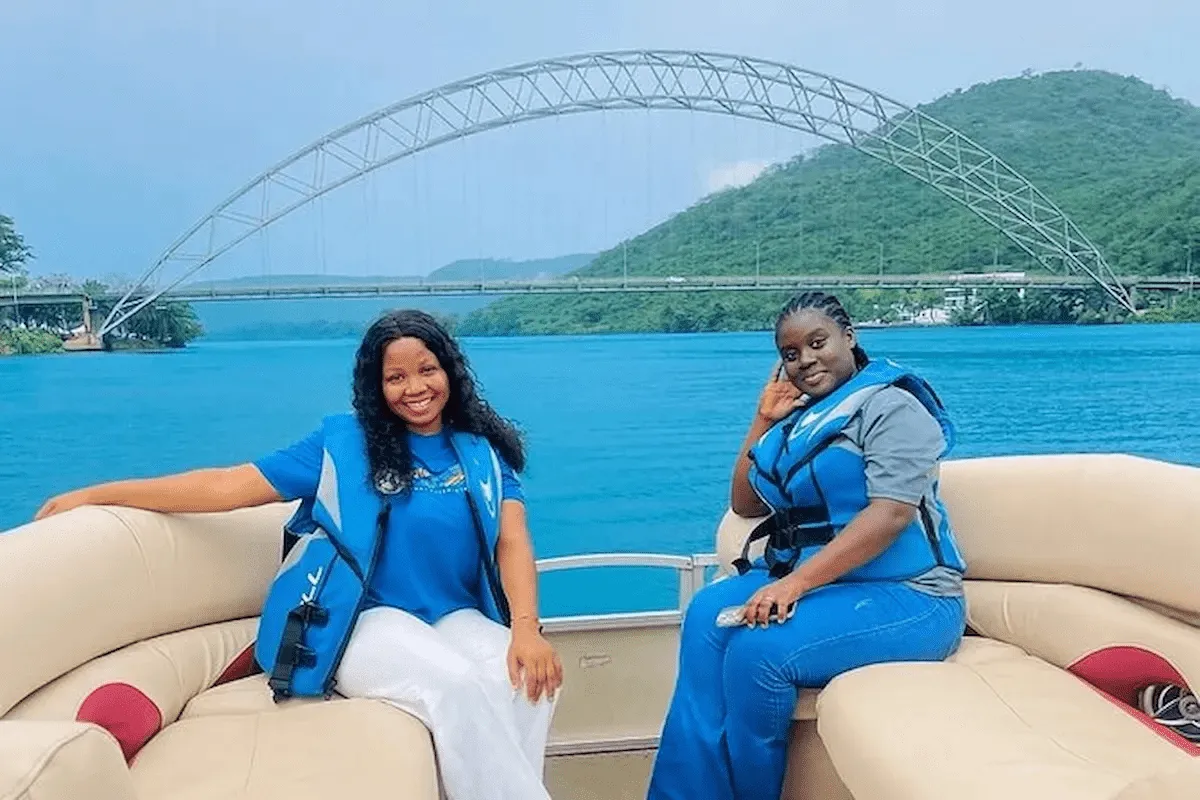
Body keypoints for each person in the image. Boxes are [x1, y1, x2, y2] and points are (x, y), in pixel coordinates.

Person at [36, 309, 563, 800]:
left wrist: (525, 630)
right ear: (376, 388)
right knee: (457, 686)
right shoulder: (339, 445)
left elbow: (511, 542)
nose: (415, 388)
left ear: (450, 371)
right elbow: (228, 487)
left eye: (427, 370)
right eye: (395, 377)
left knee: (527, 679)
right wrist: (99, 493)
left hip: (452, 615)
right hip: (360, 621)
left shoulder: (481, 452)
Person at [647, 291, 968, 800]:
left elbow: (890, 515)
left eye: (818, 343)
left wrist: (793, 584)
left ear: (850, 338)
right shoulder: (800, 419)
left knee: (759, 652)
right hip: (828, 589)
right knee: (706, 614)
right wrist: (764, 421)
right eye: (791, 354)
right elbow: (747, 503)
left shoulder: (892, 406)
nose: (806, 361)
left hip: (912, 596)